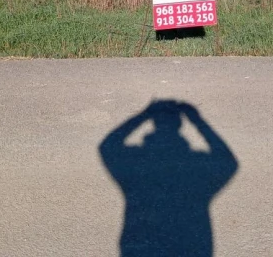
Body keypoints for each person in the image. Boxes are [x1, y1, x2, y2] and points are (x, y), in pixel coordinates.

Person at [100, 100, 238, 257]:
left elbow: (107, 146)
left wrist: (144, 115)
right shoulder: (196, 165)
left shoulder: (136, 162)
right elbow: (228, 162)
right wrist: (197, 121)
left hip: (141, 245)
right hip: (190, 245)